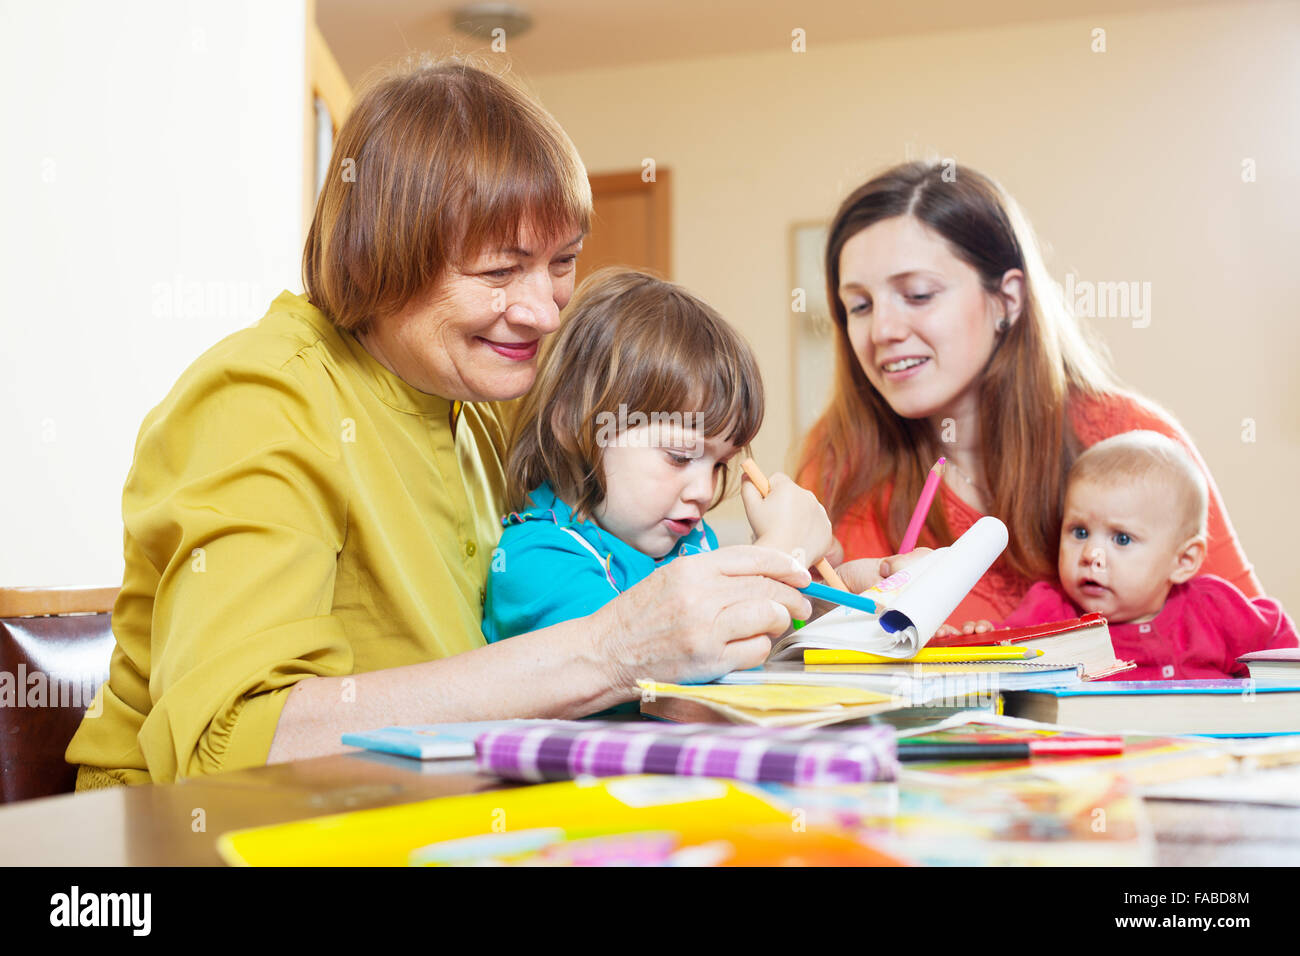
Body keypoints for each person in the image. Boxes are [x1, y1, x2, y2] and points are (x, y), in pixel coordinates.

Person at [67, 59, 874, 788]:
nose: (542, 311)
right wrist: (610, 652)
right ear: (379, 256)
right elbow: (231, 745)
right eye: (497, 272)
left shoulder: (486, 402)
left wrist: (816, 597)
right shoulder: (258, 400)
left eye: (561, 263)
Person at [797, 161, 1262, 626]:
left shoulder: (1136, 442)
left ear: (1008, 299)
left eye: (918, 294)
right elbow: (797, 656)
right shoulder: (839, 458)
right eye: (858, 305)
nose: (882, 330)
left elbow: (1259, 655)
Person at [482, 268, 831, 652]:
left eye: (719, 465)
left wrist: (825, 597)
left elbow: (760, 641)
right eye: (679, 456)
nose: (704, 490)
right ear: (573, 423)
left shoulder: (687, 541)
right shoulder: (537, 559)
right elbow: (656, 661)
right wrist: (781, 551)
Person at [1002, 431, 1296, 679]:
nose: (1091, 554)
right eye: (1080, 532)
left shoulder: (1214, 608)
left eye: (1122, 538)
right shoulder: (1050, 611)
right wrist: (979, 637)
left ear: (1183, 561)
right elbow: (1001, 658)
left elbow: (1276, 643)